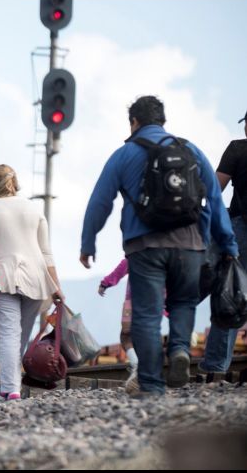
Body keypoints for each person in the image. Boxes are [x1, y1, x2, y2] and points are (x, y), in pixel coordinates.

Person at [81, 95, 238, 398]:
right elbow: (215, 201)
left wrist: (88, 243)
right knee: (182, 302)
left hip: (144, 247)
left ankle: (152, 384)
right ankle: (179, 349)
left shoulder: (124, 154)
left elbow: (100, 201)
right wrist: (227, 243)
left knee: (148, 315)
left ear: (134, 122)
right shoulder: (190, 150)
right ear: (163, 121)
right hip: (190, 245)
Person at [0, 165, 65, 401]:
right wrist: (56, 287)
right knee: (20, 334)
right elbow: (47, 253)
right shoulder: (34, 209)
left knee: (10, 334)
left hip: (4, 278)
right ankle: (12, 385)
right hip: (37, 279)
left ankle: (10, 389)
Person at [201, 109, 247, 379]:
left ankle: (217, 366)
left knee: (231, 294)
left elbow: (215, 189)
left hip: (241, 229)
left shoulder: (238, 149)